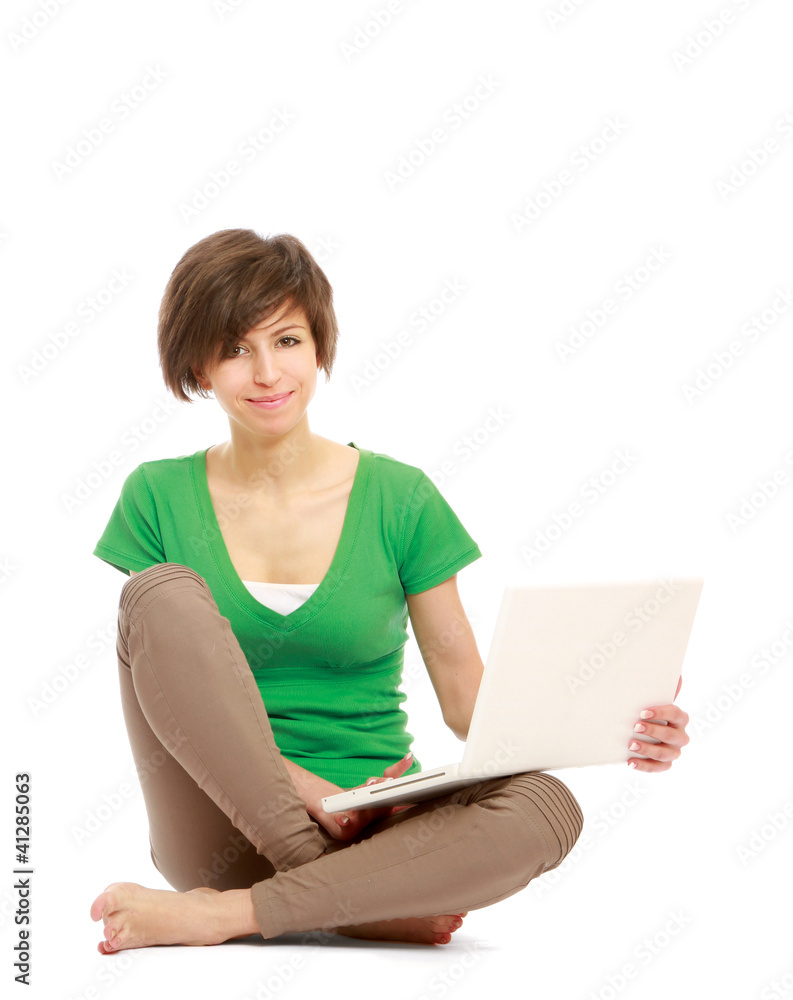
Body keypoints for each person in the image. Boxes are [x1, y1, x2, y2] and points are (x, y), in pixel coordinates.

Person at [89, 229, 690, 953]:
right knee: (158, 595)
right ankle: (342, 891)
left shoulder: (401, 499)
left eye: (287, 341)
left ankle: (233, 914)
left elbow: (468, 705)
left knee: (547, 807)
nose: (268, 372)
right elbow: (172, 695)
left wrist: (614, 715)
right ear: (198, 365)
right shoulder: (156, 496)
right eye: (235, 348)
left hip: (383, 824)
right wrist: (309, 797)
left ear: (318, 347)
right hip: (218, 832)